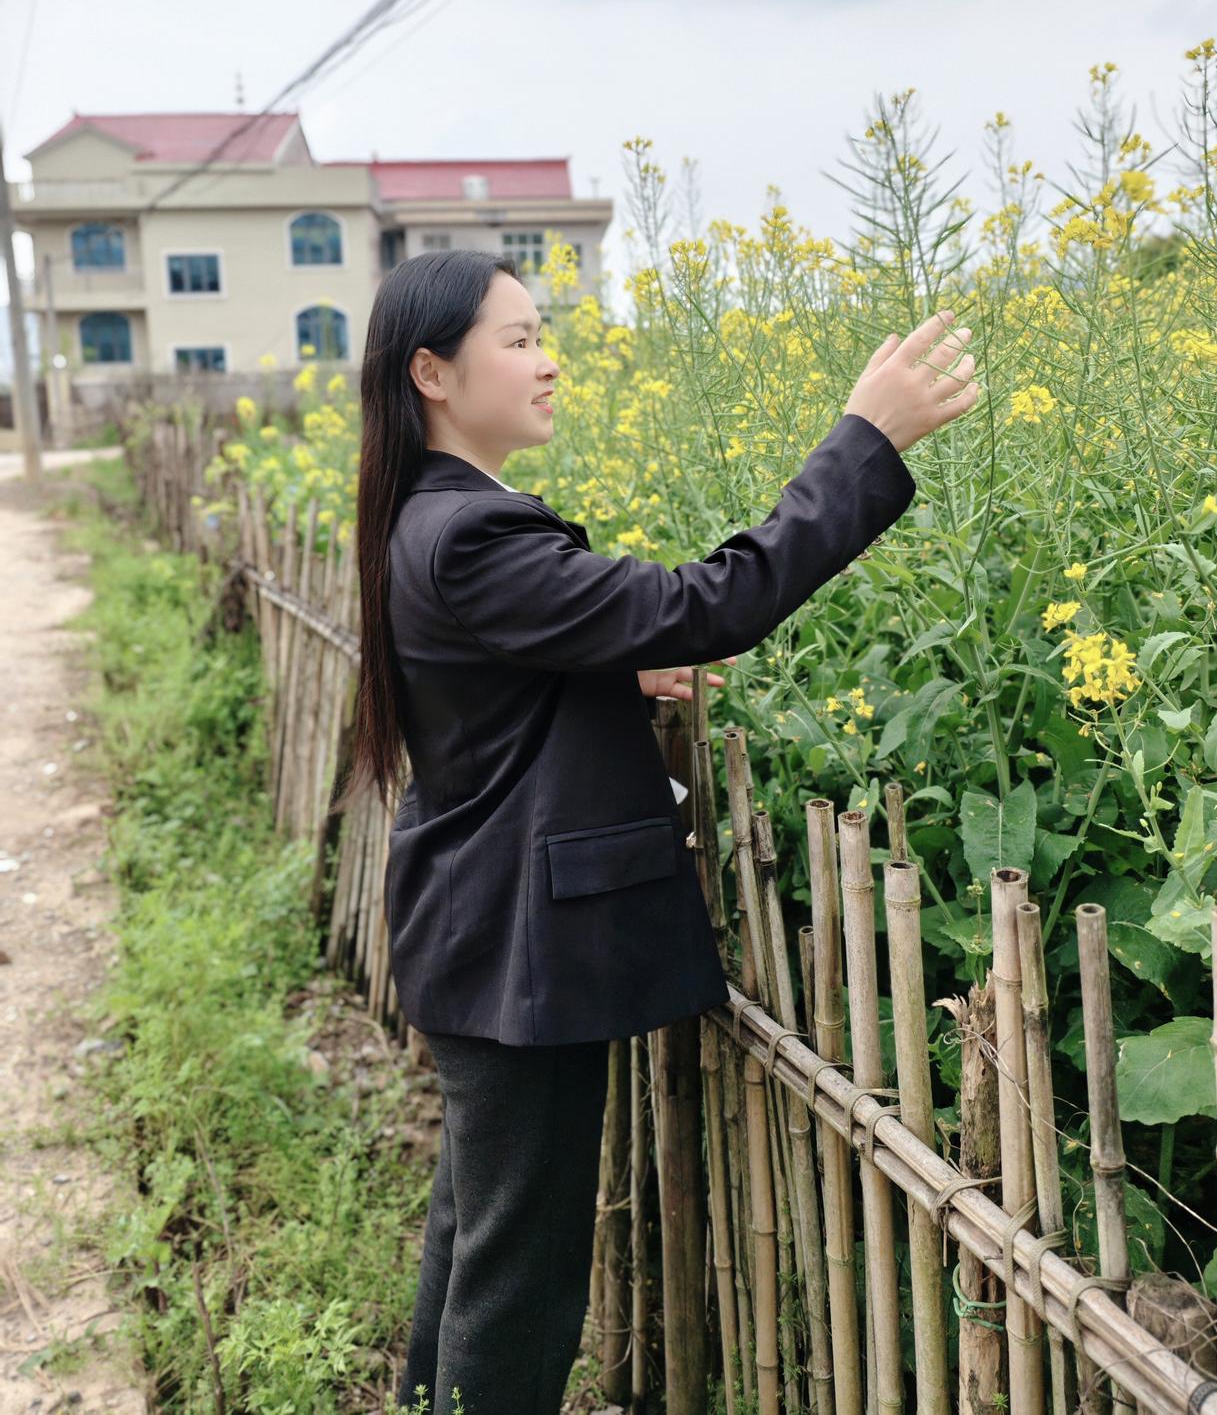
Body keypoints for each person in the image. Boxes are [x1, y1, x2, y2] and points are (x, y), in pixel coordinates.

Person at [338, 249, 980, 1414]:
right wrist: (861, 442)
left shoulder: (431, 522)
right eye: (519, 338)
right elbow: (710, 605)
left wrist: (602, 677)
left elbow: (484, 695)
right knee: (517, 1280)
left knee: (476, 1238)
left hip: (477, 939)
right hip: (513, 957)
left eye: (542, 333)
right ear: (431, 371)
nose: (548, 359)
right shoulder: (473, 534)